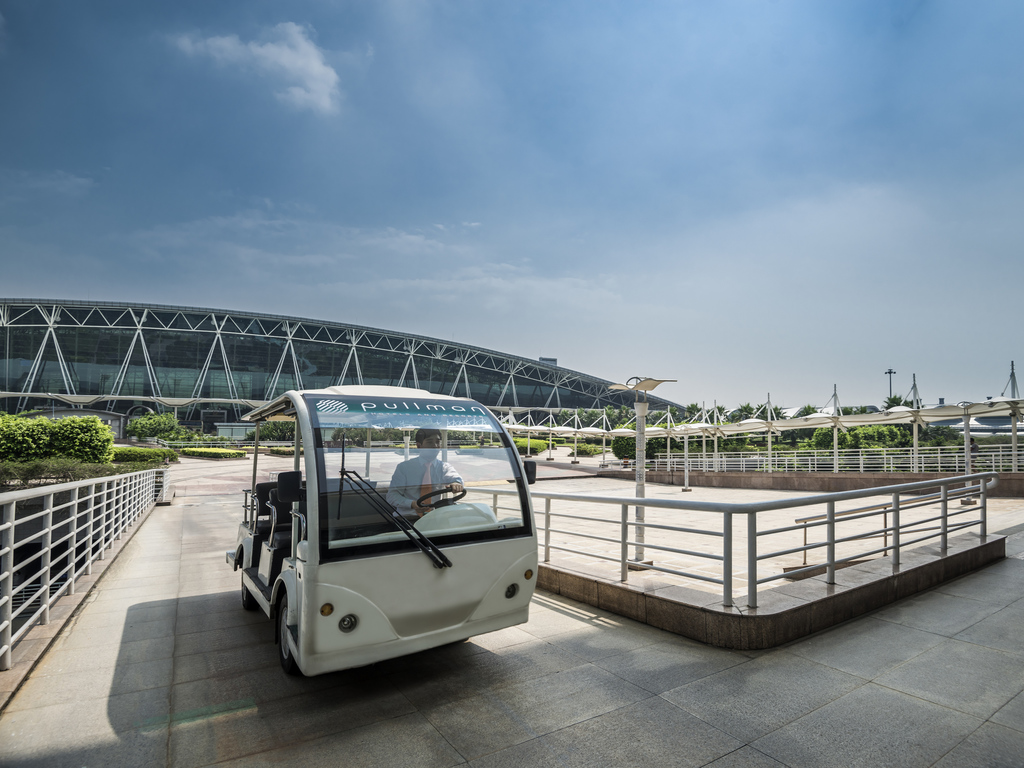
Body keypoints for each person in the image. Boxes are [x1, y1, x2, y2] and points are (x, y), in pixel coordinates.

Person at [387, 428, 464, 518]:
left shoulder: (444, 467)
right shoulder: (404, 468)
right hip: (407, 518)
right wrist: (412, 504)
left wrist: (456, 483)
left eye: (437, 442)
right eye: (430, 442)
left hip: (433, 518)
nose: (435, 446)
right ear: (419, 446)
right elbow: (392, 496)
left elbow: (456, 479)